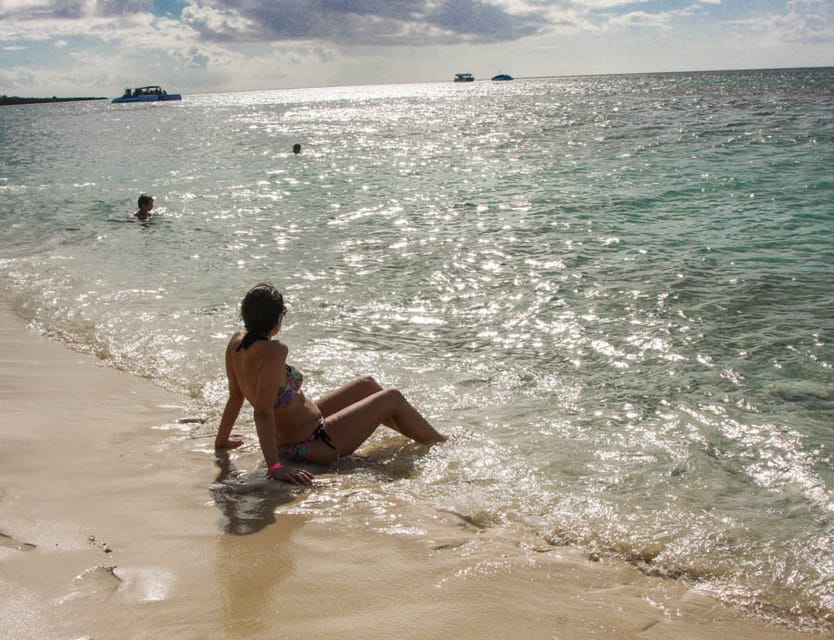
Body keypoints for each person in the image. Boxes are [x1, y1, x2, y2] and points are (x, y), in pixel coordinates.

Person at [215, 283, 447, 485]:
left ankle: (420, 437)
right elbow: (262, 412)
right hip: (313, 443)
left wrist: (222, 441)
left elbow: (235, 396)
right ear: (277, 319)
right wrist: (275, 467)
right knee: (392, 398)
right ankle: (441, 444)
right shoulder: (274, 351)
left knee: (367, 384)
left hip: (304, 430)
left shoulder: (236, 343)